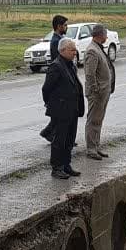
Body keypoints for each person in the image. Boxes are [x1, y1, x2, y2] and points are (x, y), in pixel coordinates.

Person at [41, 38, 84, 179]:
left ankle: (66, 165)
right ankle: (57, 168)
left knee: (70, 140)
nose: (75, 52)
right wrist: (52, 104)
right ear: (63, 50)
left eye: (75, 49)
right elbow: (46, 88)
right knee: (59, 141)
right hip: (61, 110)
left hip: (72, 109)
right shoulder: (56, 66)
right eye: (72, 50)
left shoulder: (70, 64)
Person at [82, 25, 115, 159]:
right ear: (99, 35)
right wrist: (96, 90)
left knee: (98, 120)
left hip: (103, 91)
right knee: (93, 120)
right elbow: (90, 75)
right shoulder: (92, 51)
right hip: (97, 93)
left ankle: (96, 146)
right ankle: (91, 149)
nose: (107, 37)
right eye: (105, 34)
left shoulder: (98, 48)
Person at [39, 14, 69, 142]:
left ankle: (52, 134)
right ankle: (50, 134)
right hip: (58, 77)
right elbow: (59, 59)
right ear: (59, 26)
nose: (67, 27)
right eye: (65, 25)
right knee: (59, 114)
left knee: (59, 115)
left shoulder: (60, 38)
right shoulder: (56, 41)